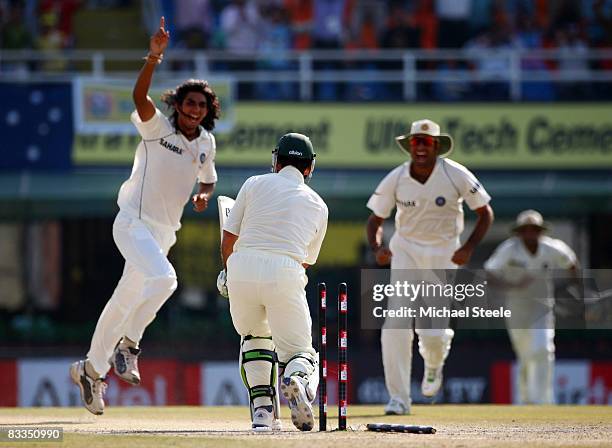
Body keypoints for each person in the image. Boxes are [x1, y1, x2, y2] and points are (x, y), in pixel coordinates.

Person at [70, 17, 220, 415]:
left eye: (201, 106)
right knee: (166, 279)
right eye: (189, 103)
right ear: (179, 105)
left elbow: (208, 181)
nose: (194, 110)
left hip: (164, 234)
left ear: (207, 112)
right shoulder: (157, 129)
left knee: (123, 301)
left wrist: (203, 197)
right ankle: (129, 347)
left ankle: (90, 370)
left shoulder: (206, 143)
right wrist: (154, 57)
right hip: (132, 224)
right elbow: (139, 98)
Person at [366, 119, 493, 415]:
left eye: (426, 142)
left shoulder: (454, 173)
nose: (420, 147)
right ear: (410, 146)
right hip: (406, 252)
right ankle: (398, 399)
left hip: (443, 254)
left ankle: (434, 363)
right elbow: (375, 220)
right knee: (395, 325)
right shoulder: (396, 178)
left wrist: (468, 247)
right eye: (416, 142)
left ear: (437, 146)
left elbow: (485, 212)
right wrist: (377, 248)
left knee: (432, 332)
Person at [218, 133, 328, 431]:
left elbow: (229, 240)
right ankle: (297, 380)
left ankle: (263, 414)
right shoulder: (319, 204)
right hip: (285, 270)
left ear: (276, 161)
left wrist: (229, 273)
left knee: (254, 338)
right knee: (299, 351)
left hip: (241, 266)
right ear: (309, 168)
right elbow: (306, 260)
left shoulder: (254, 183)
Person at [484, 210, 578, 404]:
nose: (530, 234)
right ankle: (525, 400)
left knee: (543, 349)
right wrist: (511, 286)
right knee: (525, 355)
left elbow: (572, 265)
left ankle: (543, 401)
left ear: (540, 231)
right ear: (519, 232)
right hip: (517, 309)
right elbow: (489, 273)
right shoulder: (509, 249)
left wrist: (567, 290)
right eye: (525, 230)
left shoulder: (552, 248)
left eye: (534, 229)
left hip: (542, 308)